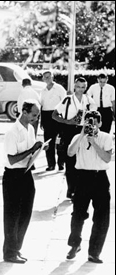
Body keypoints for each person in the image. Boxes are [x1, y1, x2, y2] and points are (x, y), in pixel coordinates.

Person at [2, 100, 47, 264]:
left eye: (38, 115)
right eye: (34, 114)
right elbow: (12, 159)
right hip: (13, 176)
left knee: (25, 213)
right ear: (24, 112)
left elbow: (30, 153)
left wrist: (40, 149)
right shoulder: (12, 132)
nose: (36, 118)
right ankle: (9, 252)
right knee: (12, 215)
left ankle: (16, 248)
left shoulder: (29, 129)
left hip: (26, 174)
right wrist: (32, 149)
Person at [66, 111, 113, 264]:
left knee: (101, 217)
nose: (90, 126)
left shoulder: (106, 137)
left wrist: (94, 142)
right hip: (82, 178)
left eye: (93, 123)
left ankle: (94, 252)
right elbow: (70, 152)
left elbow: (107, 158)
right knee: (77, 215)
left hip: (100, 177)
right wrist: (81, 135)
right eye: (87, 123)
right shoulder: (77, 137)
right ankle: (74, 245)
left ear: (99, 123)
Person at [52, 77, 97, 199]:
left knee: (82, 160)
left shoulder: (89, 100)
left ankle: (79, 188)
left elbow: (95, 118)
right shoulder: (67, 100)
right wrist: (67, 121)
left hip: (84, 130)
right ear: (74, 87)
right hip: (69, 131)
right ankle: (71, 188)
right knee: (70, 161)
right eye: (78, 87)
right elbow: (54, 115)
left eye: (83, 87)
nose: (80, 89)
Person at [40, 70, 67, 171]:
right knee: (48, 142)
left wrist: (63, 118)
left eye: (49, 77)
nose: (47, 79)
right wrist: (42, 121)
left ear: (52, 77)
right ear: (43, 79)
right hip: (47, 117)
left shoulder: (59, 89)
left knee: (61, 142)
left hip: (58, 115)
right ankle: (51, 164)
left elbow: (65, 103)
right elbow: (42, 106)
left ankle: (61, 163)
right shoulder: (42, 91)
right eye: (45, 77)